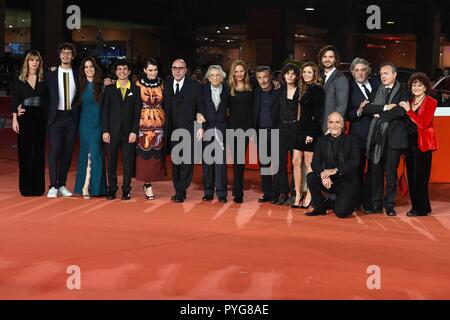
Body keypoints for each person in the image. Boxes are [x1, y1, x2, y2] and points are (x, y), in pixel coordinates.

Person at [362, 62, 409, 216]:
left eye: (386, 73)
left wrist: (380, 115)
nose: (383, 76)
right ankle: (376, 204)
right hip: (377, 138)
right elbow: (367, 109)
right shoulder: (377, 90)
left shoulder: (403, 91)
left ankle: (389, 205)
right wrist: (384, 108)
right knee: (375, 171)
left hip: (394, 139)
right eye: (381, 74)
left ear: (394, 75)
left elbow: (401, 111)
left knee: (391, 173)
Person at [163, 59, 205, 203]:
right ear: (171, 69)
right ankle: (179, 188)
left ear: (186, 70)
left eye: (181, 68)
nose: (178, 70)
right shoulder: (167, 84)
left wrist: (200, 121)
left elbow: (201, 106)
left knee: (187, 162)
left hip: (188, 130)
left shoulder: (194, 86)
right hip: (172, 130)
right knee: (176, 162)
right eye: (175, 68)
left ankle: (181, 190)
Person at [305, 112, 360, 218]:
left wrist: (335, 170)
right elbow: (315, 163)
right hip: (329, 181)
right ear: (327, 124)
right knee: (311, 177)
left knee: (341, 213)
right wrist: (322, 174)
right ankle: (319, 208)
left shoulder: (351, 140)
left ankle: (345, 203)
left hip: (346, 183)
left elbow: (355, 161)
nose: (334, 125)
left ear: (342, 124)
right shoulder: (321, 141)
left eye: (337, 122)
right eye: (331, 122)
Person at [102, 59, 142, 200]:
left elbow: (137, 113)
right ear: (116, 72)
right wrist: (105, 130)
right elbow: (105, 111)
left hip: (128, 133)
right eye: (119, 69)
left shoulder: (136, 90)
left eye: (125, 69)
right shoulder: (110, 89)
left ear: (129, 72)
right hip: (112, 132)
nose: (122, 72)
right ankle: (112, 189)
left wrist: (134, 131)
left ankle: (126, 190)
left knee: (127, 162)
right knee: (112, 162)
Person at [399, 73, 438, 216]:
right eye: (414, 85)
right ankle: (425, 205)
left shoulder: (431, 102)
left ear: (426, 87)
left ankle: (419, 208)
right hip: (409, 144)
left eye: (419, 85)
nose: (416, 87)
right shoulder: (408, 100)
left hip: (422, 144)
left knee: (420, 177)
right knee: (412, 175)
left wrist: (408, 110)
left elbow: (423, 123)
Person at [45, 42, 80, 198]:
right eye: (63, 53)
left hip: (71, 118)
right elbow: (43, 94)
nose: (66, 55)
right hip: (56, 117)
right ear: (59, 55)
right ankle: (53, 185)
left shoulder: (78, 74)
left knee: (67, 152)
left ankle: (62, 185)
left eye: (69, 53)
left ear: (72, 56)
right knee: (55, 150)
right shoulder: (50, 73)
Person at [11, 50, 47, 196]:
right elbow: (15, 99)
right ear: (27, 62)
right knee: (25, 152)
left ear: (40, 63)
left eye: (37, 60)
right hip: (24, 116)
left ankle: (38, 188)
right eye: (31, 60)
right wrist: (14, 118)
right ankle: (25, 187)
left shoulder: (44, 78)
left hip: (40, 117)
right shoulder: (19, 78)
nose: (34, 63)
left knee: (39, 153)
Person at [346, 58, 380, 211]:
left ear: (368, 71)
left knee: (374, 169)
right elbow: (346, 114)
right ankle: (356, 200)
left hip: (376, 134)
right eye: (357, 70)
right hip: (357, 135)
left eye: (363, 70)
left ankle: (369, 201)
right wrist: (359, 111)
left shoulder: (377, 84)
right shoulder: (348, 87)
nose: (360, 73)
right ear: (352, 73)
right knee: (357, 169)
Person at [291, 62, 325, 209]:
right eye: (304, 72)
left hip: (311, 131)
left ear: (315, 74)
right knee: (295, 161)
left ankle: (311, 194)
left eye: (309, 72)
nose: (306, 75)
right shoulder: (303, 89)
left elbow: (317, 114)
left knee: (309, 163)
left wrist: (311, 133)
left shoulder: (318, 90)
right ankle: (298, 194)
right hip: (300, 130)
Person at [73, 57, 107, 199]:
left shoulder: (103, 85)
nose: (89, 69)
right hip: (84, 124)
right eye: (86, 67)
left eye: (91, 66)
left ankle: (96, 187)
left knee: (96, 154)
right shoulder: (80, 85)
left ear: (96, 68)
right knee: (86, 154)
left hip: (98, 124)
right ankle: (85, 185)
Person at [135, 58, 166, 200]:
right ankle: (147, 184)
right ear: (145, 70)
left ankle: (152, 179)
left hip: (159, 122)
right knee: (144, 152)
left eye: (155, 70)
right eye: (150, 70)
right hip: (143, 123)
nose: (153, 73)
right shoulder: (138, 85)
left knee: (156, 153)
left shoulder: (162, 83)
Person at [252, 65, 281, 203]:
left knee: (276, 164)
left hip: (275, 131)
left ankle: (276, 193)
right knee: (264, 164)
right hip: (261, 132)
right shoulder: (255, 93)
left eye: (265, 77)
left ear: (270, 77)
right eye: (259, 78)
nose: (262, 80)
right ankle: (267, 192)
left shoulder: (279, 91)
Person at [227, 59, 254, 203]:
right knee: (236, 161)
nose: (239, 74)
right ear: (233, 73)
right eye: (236, 71)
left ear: (245, 72)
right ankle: (236, 191)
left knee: (240, 160)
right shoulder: (229, 87)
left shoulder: (252, 86)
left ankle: (238, 192)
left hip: (246, 128)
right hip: (232, 128)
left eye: (241, 71)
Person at [201, 65, 229, 203]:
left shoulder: (228, 90)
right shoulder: (203, 90)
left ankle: (222, 193)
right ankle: (208, 191)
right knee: (208, 162)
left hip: (223, 129)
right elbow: (199, 108)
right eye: (212, 75)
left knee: (221, 163)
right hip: (207, 128)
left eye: (217, 75)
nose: (215, 78)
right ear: (208, 77)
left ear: (222, 77)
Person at [275, 63, 300, 206]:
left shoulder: (301, 91)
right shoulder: (280, 91)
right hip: (281, 127)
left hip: (295, 128)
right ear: (283, 75)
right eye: (287, 73)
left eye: (293, 74)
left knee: (295, 162)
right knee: (280, 161)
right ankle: (283, 192)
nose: (290, 76)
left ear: (296, 76)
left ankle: (294, 191)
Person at [317, 45, 349, 133]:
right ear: (321, 59)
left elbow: (342, 106)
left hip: (332, 129)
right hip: (319, 127)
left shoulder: (340, 78)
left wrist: (332, 127)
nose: (327, 59)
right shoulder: (320, 77)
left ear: (335, 59)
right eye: (325, 57)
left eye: (331, 57)